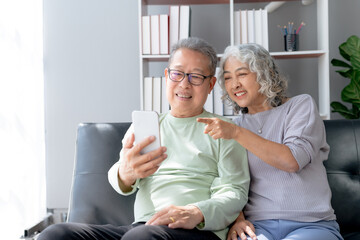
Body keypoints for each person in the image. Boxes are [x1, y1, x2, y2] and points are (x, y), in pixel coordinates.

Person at [37, 37, 250, 240]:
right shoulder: (146, 127)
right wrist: (126, 172)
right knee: (54, 235)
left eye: (195, 76)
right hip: (142, 228)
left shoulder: (226, 131)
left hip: (197, 230)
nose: (184, 84)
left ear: (211, 84)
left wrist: (196, 212)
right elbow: (119, 175)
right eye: (177, 74)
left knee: (140, 237)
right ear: (167, 76)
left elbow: (234, 191)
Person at [197, 43, 343, 240]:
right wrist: (238, 219)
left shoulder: (299, 106)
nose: (234, 84)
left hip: (311, 225)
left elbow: (292, 161)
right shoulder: (233, 127)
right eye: (228, 77)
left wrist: (237, 133)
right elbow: (227, 182)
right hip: (257, 228)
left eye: (242, 74)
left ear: (264, 74)